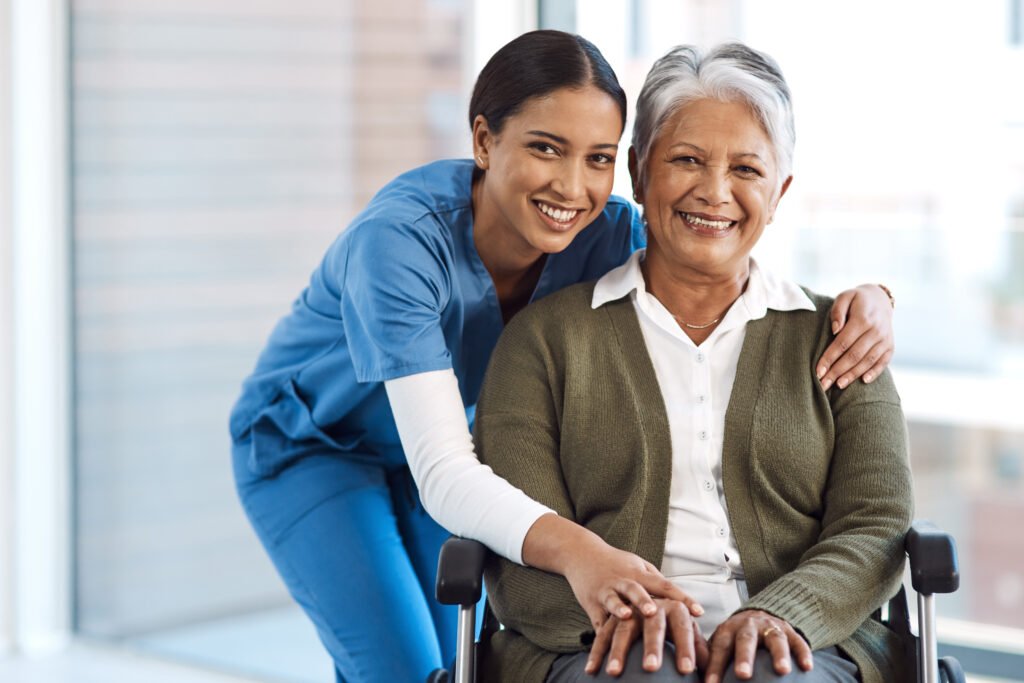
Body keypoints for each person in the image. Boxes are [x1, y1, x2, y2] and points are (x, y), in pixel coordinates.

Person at [229, 31, 897, 682]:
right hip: (317, 447)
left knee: (444, 664)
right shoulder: (399, 244)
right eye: (546, 148)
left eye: (598, 158)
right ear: (484, 141)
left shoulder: (606, 232)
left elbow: (715, 256)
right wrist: (585, 553)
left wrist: (875, 299)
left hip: (455, 450)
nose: (573, 187)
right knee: (401, 668)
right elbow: (444, 472)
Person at [472, 42, 912, 683]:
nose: (714, 192)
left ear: (779, 192)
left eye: (746, 169)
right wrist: (632, 616)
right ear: (638, 173)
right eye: (687, 160)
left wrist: (781, 614)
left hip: (805, 647)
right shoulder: (542, 343)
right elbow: (520, 536)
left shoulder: (844, 338)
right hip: (596, 645)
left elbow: (876, 525)